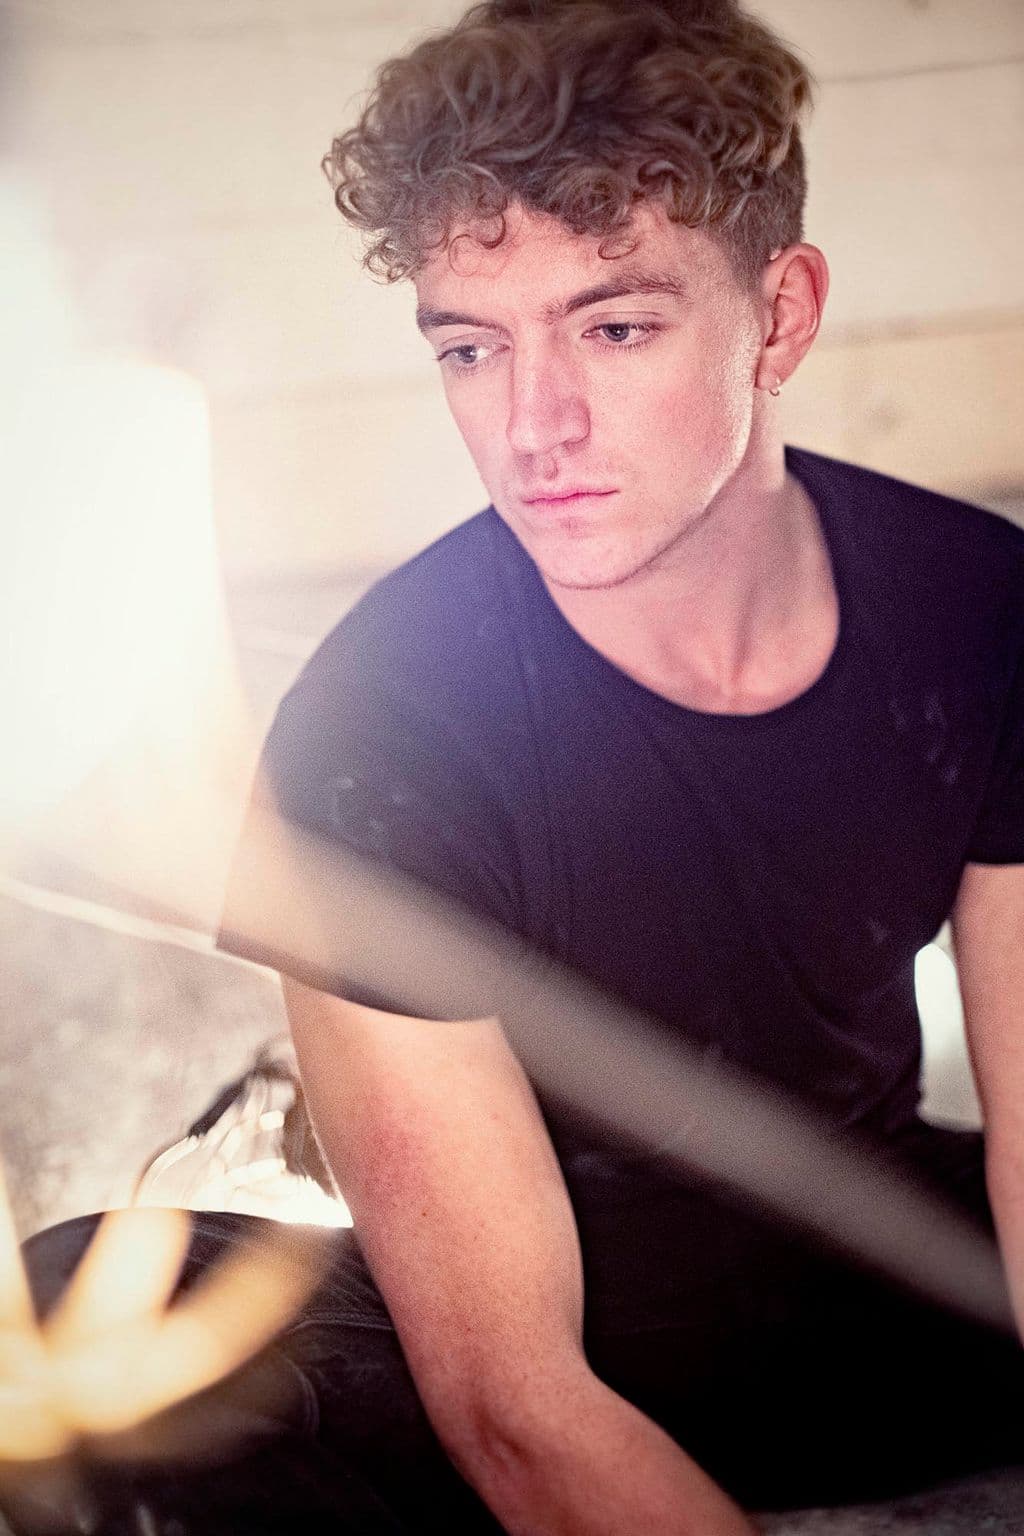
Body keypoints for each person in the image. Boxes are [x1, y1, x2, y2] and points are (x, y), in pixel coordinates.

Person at [10, 0, 1024, 1531]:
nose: (534, 426)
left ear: (781, 315)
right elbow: (512, 1401)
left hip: (874, 1269)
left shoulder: (977, 610)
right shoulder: (381, 726)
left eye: (615, 329)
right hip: (534, 1317)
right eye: (475, 349)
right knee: (92, 1321)